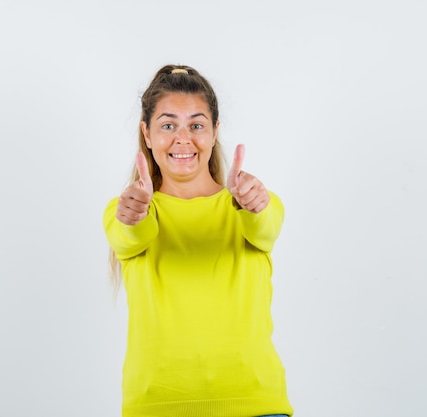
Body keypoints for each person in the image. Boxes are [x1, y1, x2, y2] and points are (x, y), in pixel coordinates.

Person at [103, 64, 293, 417]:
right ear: (146, 133)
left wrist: (252, 205)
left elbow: (264, 225)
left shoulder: (252, 203)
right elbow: (127, 235)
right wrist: (134, 215)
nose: (183, 138)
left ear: (215, 131)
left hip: (255, 405)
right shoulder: (125, 210)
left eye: (196, 125)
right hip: (156, 407)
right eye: (168, 125)